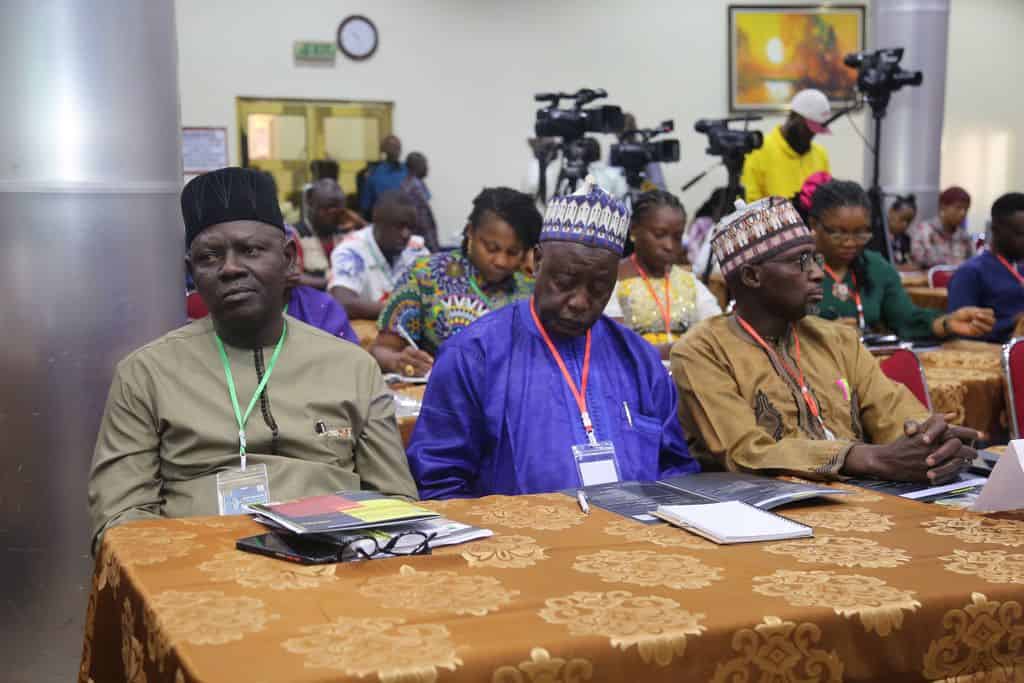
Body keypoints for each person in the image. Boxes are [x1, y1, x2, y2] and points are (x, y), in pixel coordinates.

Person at [88, 168, 417, 550]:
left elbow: (397, 501)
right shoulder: (146, 374)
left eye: (250, 250)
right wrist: (190, 567)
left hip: (337, 562)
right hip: (198, 569)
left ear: (289, 259)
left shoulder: (353, 367)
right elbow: (120, 519)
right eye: (209, 256)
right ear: (191, 272)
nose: (230, 268)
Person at [407, 177, 699, 498]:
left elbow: (676, 470)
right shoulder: (474, 355)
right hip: (515, 531)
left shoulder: (639, 360)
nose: (580, 302)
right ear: (536, 262)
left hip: (636, 527)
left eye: (598, 288)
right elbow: (439, 484)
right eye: (564, 281)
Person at [672, 196, 981, 481]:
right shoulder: (703, 350)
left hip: (861, 497)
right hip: (766, 509)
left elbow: (893, 411)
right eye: (800, 262)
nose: (818, 273)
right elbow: (744, 451)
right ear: (752, 276)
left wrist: (931, 441)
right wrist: (864, 458)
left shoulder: (837, 339)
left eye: (814, 259)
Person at [372, 188, 541, 377]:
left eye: (512, 252)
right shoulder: (426, 275)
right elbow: (382, 349)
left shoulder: (532, 291)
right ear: (470, 232)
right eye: (491, 248)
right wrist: (397, 361)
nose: (501, 261)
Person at [806, 179, 992, 340]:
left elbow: (906, 319)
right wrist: (822, 331)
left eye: (860, 233)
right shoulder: (796, 268)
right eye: (838, 233)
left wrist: (947, 323)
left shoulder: (875, 267)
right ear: (813, 224)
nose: (850, 242)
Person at [605, 190, 721, 358]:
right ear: (634, 230)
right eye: (659, 235)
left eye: (677, 237)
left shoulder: (689, 282)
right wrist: (680, 350)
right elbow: (617, 344)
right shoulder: (612, 279)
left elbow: (715, 330)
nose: (669, 245)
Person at [329, 191, 429, 320]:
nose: (406, 234)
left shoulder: (415, 249)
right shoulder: (351, 250)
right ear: (377, 222)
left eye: (410, 227)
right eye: (398, 226)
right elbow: (343, 303)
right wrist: (404, 310)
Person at [948, 193, 1024, 343]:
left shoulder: (1020, 266)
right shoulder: (970, 273)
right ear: (996, 230)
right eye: (1021, 233)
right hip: (994, 351)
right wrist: (1013, 323)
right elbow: (961, 334)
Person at [741, 89, 832, 203]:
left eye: (816, 131)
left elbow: (826, 200)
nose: (811, 135)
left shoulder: (820, 155)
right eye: (808, 129)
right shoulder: (758, 152)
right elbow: (749, 204)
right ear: (793, 116)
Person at [295, 179, 366, 290]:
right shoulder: (295, 234)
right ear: (311, 203)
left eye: (339, 209)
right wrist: (335, 283)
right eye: (327, 208)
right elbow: (293, 277)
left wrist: (361, 223)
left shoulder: (346, 233)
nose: (333, 213)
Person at [909, 186, 974, 269]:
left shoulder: (965, 237)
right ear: (943, 206)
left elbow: (973, 264)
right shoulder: (924, 231)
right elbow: (919, 262)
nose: (963, 213)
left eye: (966, 209)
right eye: (958, 208)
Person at [399, 151, 440, 251]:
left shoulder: (408, 183)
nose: (427, 168)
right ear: (416, 166)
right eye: (425, 164)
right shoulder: (415, 187)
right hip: (420, 243)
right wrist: (433, 248)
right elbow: (423, 221)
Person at [360, 134, 408, 216]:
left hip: (404, 219)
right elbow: (365, 207)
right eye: (393, 147)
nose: (396, 151)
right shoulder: (373, 174)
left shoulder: (408, 170)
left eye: (397, 147)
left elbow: (365, 206)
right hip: (385, 220)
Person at [888, 194, 917, 267]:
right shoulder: (877, 237)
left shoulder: (905, 239)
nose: (905, 224)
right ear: (891, 211)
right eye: (902, 219)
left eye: (909, 221)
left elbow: (906, 262)